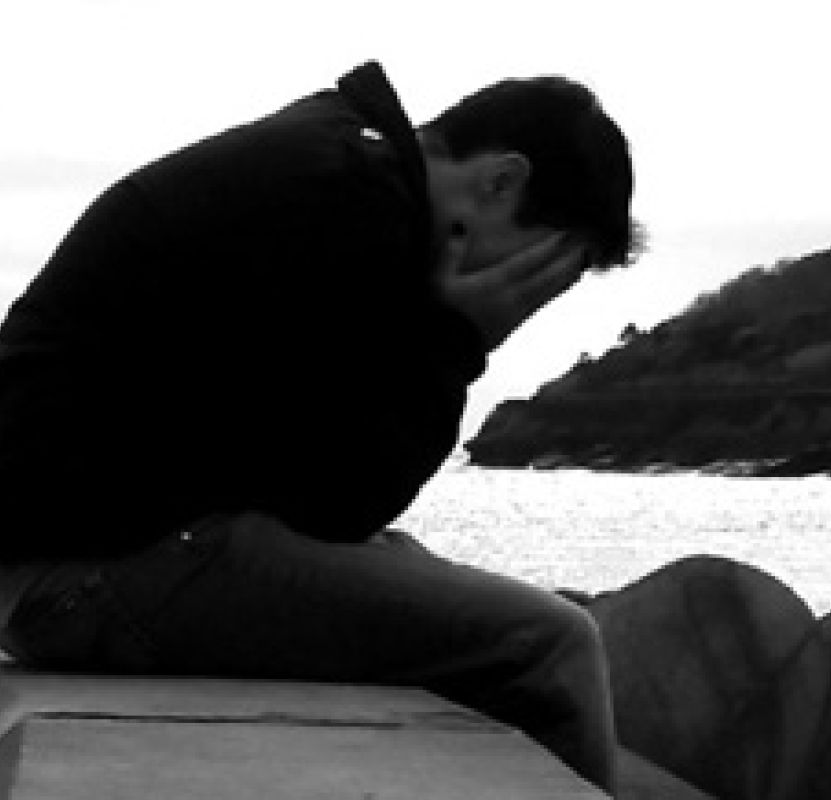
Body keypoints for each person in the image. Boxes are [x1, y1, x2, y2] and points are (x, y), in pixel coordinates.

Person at [0, 61, 639, 793]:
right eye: (543, 264)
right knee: (551, 644)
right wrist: (459, 339)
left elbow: (307, 471)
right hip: (88, 570)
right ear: (500, 182)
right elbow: (343, 500)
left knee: (425, 580)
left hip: (71, 553)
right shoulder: (351, 203)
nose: (531, 293)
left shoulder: (332, 163)